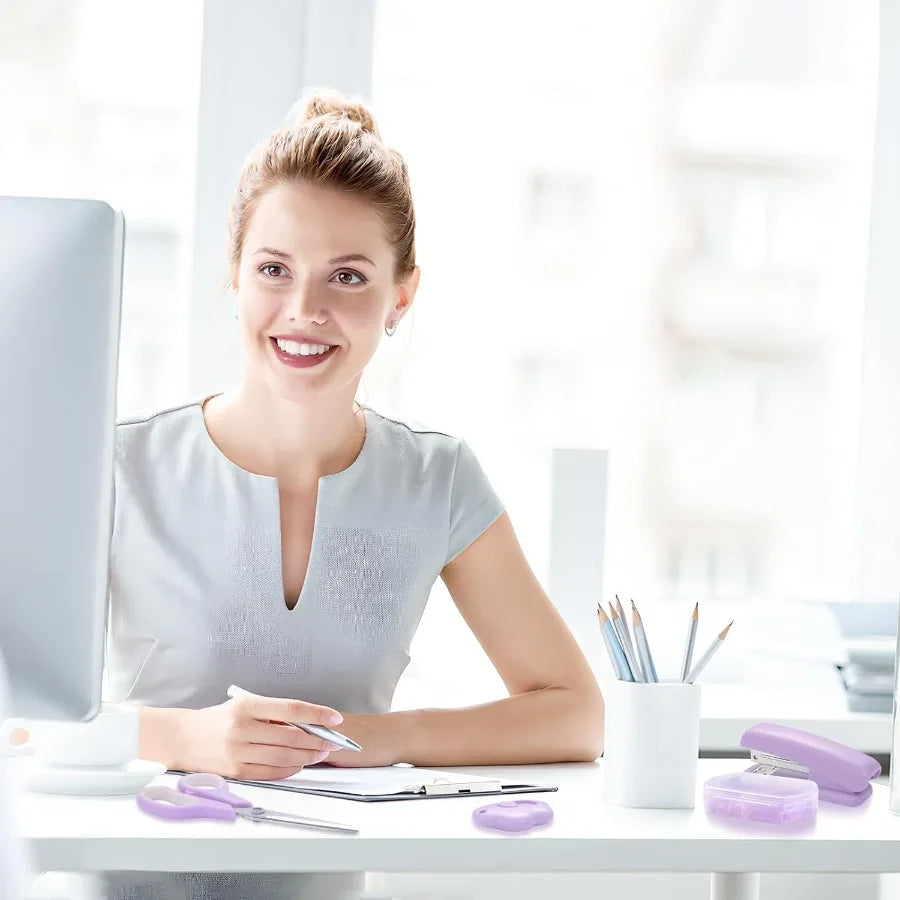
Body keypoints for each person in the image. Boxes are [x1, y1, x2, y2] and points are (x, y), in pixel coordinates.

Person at [100, 90, 604, 899]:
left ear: (401, 296)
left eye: (348, 277)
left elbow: (575, 714)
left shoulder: (436, 481)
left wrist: (380, 738)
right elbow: (18, 721)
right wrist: (188, 738)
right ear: (233, 273)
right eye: (274, 270)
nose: (305, 311)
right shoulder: (122, 468)